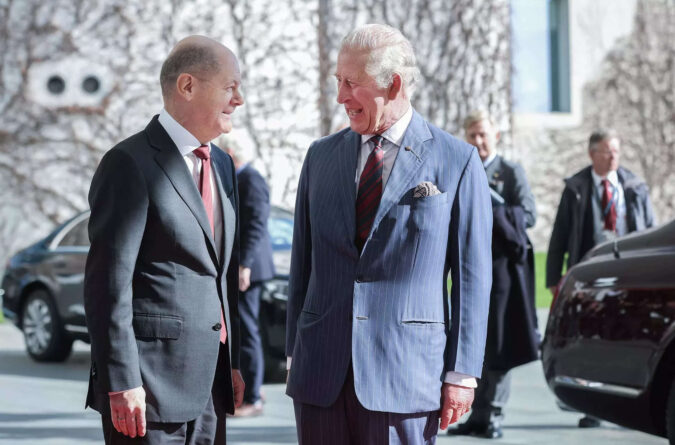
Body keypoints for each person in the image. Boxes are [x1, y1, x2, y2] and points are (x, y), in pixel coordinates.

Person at [285, 24, 492, 444]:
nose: (340, 96)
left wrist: (462, 373)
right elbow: (301, 263)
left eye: (351, 83)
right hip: (320, 377)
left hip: (406, 378)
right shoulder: (319, 157)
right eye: (337, 82)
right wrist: (295, 352)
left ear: (393, 84)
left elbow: (472, 278)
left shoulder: (457, 160)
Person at [84, 35, 245, 444]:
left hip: (211, 386)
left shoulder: (223, 164)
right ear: (187, 86)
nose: (239, 100)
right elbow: (108, 285)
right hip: (148, 393)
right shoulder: (129, 163)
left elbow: (221, 274)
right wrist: (121, 381)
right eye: (230, 87)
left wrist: (234, 363)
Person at [546, 129, 655, 428]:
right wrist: (555, 278)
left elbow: (649, 227)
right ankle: (593, 406)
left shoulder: (633, 186)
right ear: (592, 153)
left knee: (628, 335)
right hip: (591, 274)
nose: (613, 156)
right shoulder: (577, 189)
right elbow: (560, 236)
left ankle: (630, 400)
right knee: (590, 337)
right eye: (607, 151)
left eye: (617, 151)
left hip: (628, 273)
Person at [448, 110, 539, 439]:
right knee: (473, 339)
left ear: (495, 136)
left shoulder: (510, 171)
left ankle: (494, 414)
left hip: (501, 269)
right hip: (469, 267)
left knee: (499, 343)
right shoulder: (462, 166)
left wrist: (496, 211)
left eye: (483, 134)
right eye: (472, 135)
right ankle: (475, 415)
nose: (478, 141)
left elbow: (529, 214)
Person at [220, 132, 275, 417]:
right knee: (245, 331)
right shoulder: (240, 177)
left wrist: (245, 265)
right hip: (243, 266)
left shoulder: (250, 178)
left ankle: (253, 398)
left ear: (230, 151)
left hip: (249, 269)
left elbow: (256, 224)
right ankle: (253, 392)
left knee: (248, 333)